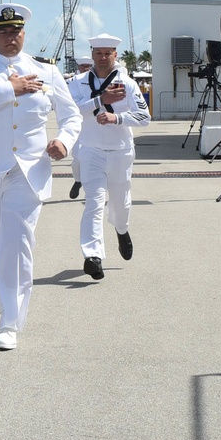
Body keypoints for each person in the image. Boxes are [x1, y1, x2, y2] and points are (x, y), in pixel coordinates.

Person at [0, 4, 81, 351]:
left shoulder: (47, 71)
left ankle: (9, 321)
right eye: (5, 32)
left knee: (17, 241)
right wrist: (10, 89)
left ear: (25, 33)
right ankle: (4, 282)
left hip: (29, 169)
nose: (12, 38)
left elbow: (71, 117)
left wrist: (64, 142)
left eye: (17, 31)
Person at [67, 34, 149, 280]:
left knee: (121, 203)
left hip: (121, 151)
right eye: (98, 53)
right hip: (90, 150)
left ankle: (122, 230)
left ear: (116, 55)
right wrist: (100, 100)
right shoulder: (77, 82)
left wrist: (118, 117)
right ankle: (93, 256)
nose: (103, 58)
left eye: (107, 53)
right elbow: (70, 113)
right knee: (94, 202)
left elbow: (144, 118)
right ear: (91, 54)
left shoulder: (128, 83)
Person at [68, 55, 95, 199]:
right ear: (78, 67)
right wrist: (97, 100)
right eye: (83, 65)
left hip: (97, 124)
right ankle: (78, 180)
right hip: (79, 124)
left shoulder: (98, 80)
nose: (86, 68)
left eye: (88, 66)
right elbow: (74, 104)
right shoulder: (72, 82)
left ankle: (95, 189)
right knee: (77, 158)